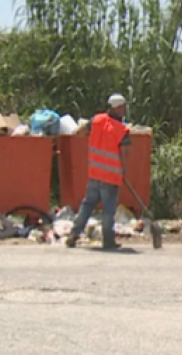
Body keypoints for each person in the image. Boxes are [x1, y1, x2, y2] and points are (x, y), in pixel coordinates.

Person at [66, 93, 132, 250]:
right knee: (108, 210)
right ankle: (108, 240)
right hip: (111, 176)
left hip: (95, 173)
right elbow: (125, 153)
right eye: (123, 107)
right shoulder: (121, 130)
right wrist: (124, 171)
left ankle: (73, 235)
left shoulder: (97, 120)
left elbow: (79, 131)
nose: (124, 110)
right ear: (118, 108)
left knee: (87, 205)